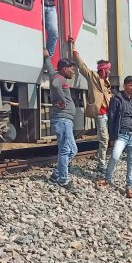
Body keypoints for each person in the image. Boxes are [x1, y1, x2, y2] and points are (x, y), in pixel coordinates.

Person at [69, 37, 112, 176]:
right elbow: (82, 67)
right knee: (104, 139)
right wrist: (74, 50)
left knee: (105, 139)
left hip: (107, 114)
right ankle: (101, 164)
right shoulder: (93, 76)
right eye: (108, 70)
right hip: (99, 113)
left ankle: (101, 159)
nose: (110, 72)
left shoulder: (107, 81)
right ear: (103, 70)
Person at [98, 76, 132, 198]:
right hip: (121, 135)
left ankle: (129, 185)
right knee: (115, 156)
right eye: (130, 85)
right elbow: (111, 119)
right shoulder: (117, 99)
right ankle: (108, 178)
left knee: (131, 161)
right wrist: (112, 137)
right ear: (124, 86)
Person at [43, 51, 77, 189]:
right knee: (65, 150)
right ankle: (63, 180)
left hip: (64, 120)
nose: (73, 72)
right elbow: (56, 84)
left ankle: (56, 174)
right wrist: (62, 100)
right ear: (64, 69)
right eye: (71, 69)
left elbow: (51, 69)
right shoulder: (60, 79)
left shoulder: (55, 74)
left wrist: (47, 57)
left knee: (72, 150)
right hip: (62, 120)